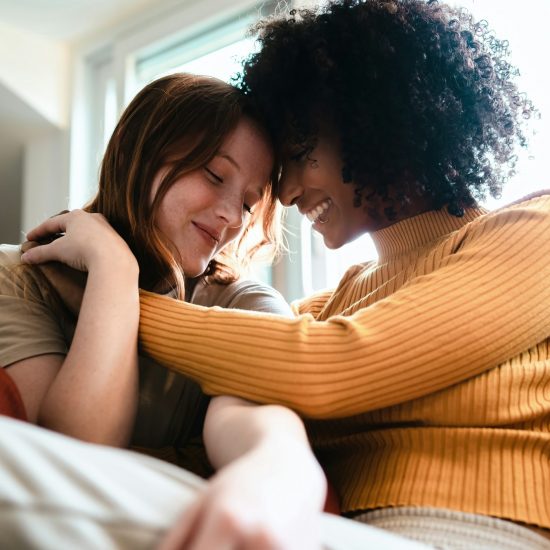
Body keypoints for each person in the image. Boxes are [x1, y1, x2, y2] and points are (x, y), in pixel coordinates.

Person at [131, 1, 550, 548]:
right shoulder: (339, 299)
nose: (283, 194)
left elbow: (329, 364)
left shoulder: (532, 232)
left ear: (380, 125)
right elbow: (250, 367)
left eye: (302, 153)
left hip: (478, 528)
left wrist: (119, 292)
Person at [0, 72, 330, 548]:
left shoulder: (241, 300)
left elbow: (255, 418)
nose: (232, 218)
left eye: (246, 202)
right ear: (141, 153)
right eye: (215, 176)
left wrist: (277, 469)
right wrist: (113, 271)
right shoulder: (21, 273)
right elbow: (75, 448)